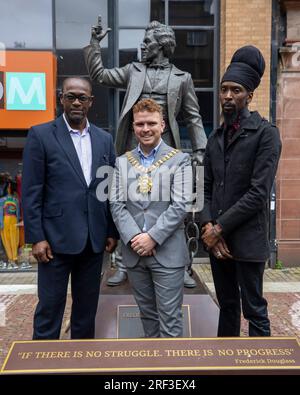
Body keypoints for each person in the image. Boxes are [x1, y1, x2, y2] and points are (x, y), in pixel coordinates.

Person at [84, 17, 207, 287]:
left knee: (175, 206)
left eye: (148, 41)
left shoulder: (182, 78)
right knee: (127, 205)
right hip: (133, 148)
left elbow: (193, 116)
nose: (143, 45)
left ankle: (181, 264)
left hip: (168, 152)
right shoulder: (133, 71)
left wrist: (199, 149)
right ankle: (124, 263)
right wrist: (95, 43)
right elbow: (99, 75)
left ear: (162, 45)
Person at [22, 77, 118, 339]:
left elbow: (107, 189)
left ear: (91, 101)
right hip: (53, 241)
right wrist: (36, 238)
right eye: (70, 96)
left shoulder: (104, 139)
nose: (76, 102)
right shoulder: (40, 135)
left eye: (82, 97)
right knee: (50, 309)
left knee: (86, 312)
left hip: (93, 241)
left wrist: (110, 230)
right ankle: (42, 367)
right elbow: (31, 192)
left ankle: (81, 364)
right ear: (60, 98)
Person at [200, 46, 282, 337]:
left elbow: (258, 193)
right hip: (217, 242)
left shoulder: (265, 134)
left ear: (249, 95)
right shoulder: (215, 137)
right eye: (224, 89)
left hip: (248, 239)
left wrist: (219, 228)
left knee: (254, 309)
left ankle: (261, 369)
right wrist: (208, 225)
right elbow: (206, 188)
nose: (227, 96)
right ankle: (226, 365)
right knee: (227, 306)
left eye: (235, 90)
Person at [110, 98, 193, 337]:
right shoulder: (122, 162)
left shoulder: (180, 160)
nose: (145, 129)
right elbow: (116, 203)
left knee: (170, 322)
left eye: (151, 123)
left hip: (167, 252)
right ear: (133, 127)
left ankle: (171, 374)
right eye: (140, 124)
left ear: (162, 125)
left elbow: (181, 204)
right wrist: (136, 237)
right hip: (134, 253)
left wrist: (152, 238)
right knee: (147, 318)